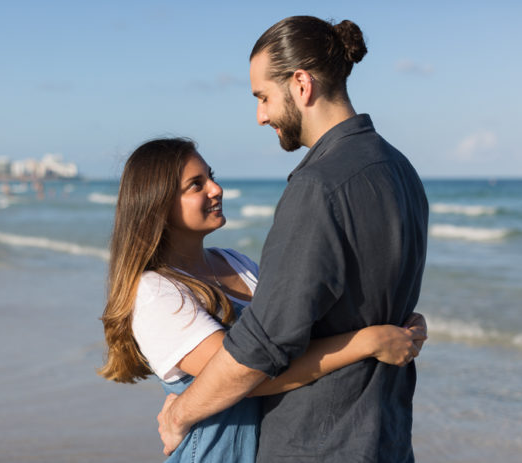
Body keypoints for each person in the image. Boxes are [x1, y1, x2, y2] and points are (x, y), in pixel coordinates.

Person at [157, 16, 429, 462]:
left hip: (318, 439)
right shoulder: (401, 171)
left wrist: (180, 413)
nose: (261, 115)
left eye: (263, 97)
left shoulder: (318, 186)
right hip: (389, 436)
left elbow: (265, 342)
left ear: (301, 84)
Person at [101, 138, 427, 462]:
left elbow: (298, 330)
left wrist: (398, 323)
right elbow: (246, 375)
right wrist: (367, 342)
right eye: (195, 185)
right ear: (157, 204)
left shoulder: (234, 262)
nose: (216, 189)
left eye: (211, 176)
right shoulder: (155, 292)